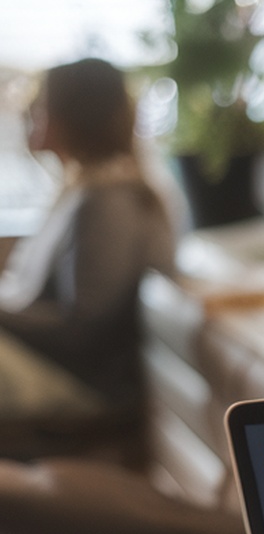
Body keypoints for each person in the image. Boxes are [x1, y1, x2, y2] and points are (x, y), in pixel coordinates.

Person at [0, 58, 174, 431]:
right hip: (52, 366)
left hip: (83, 386)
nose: (32, 115)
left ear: (73, 116)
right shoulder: (83, 189)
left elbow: (83, 333)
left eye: (43, 106)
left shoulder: (109, 201)